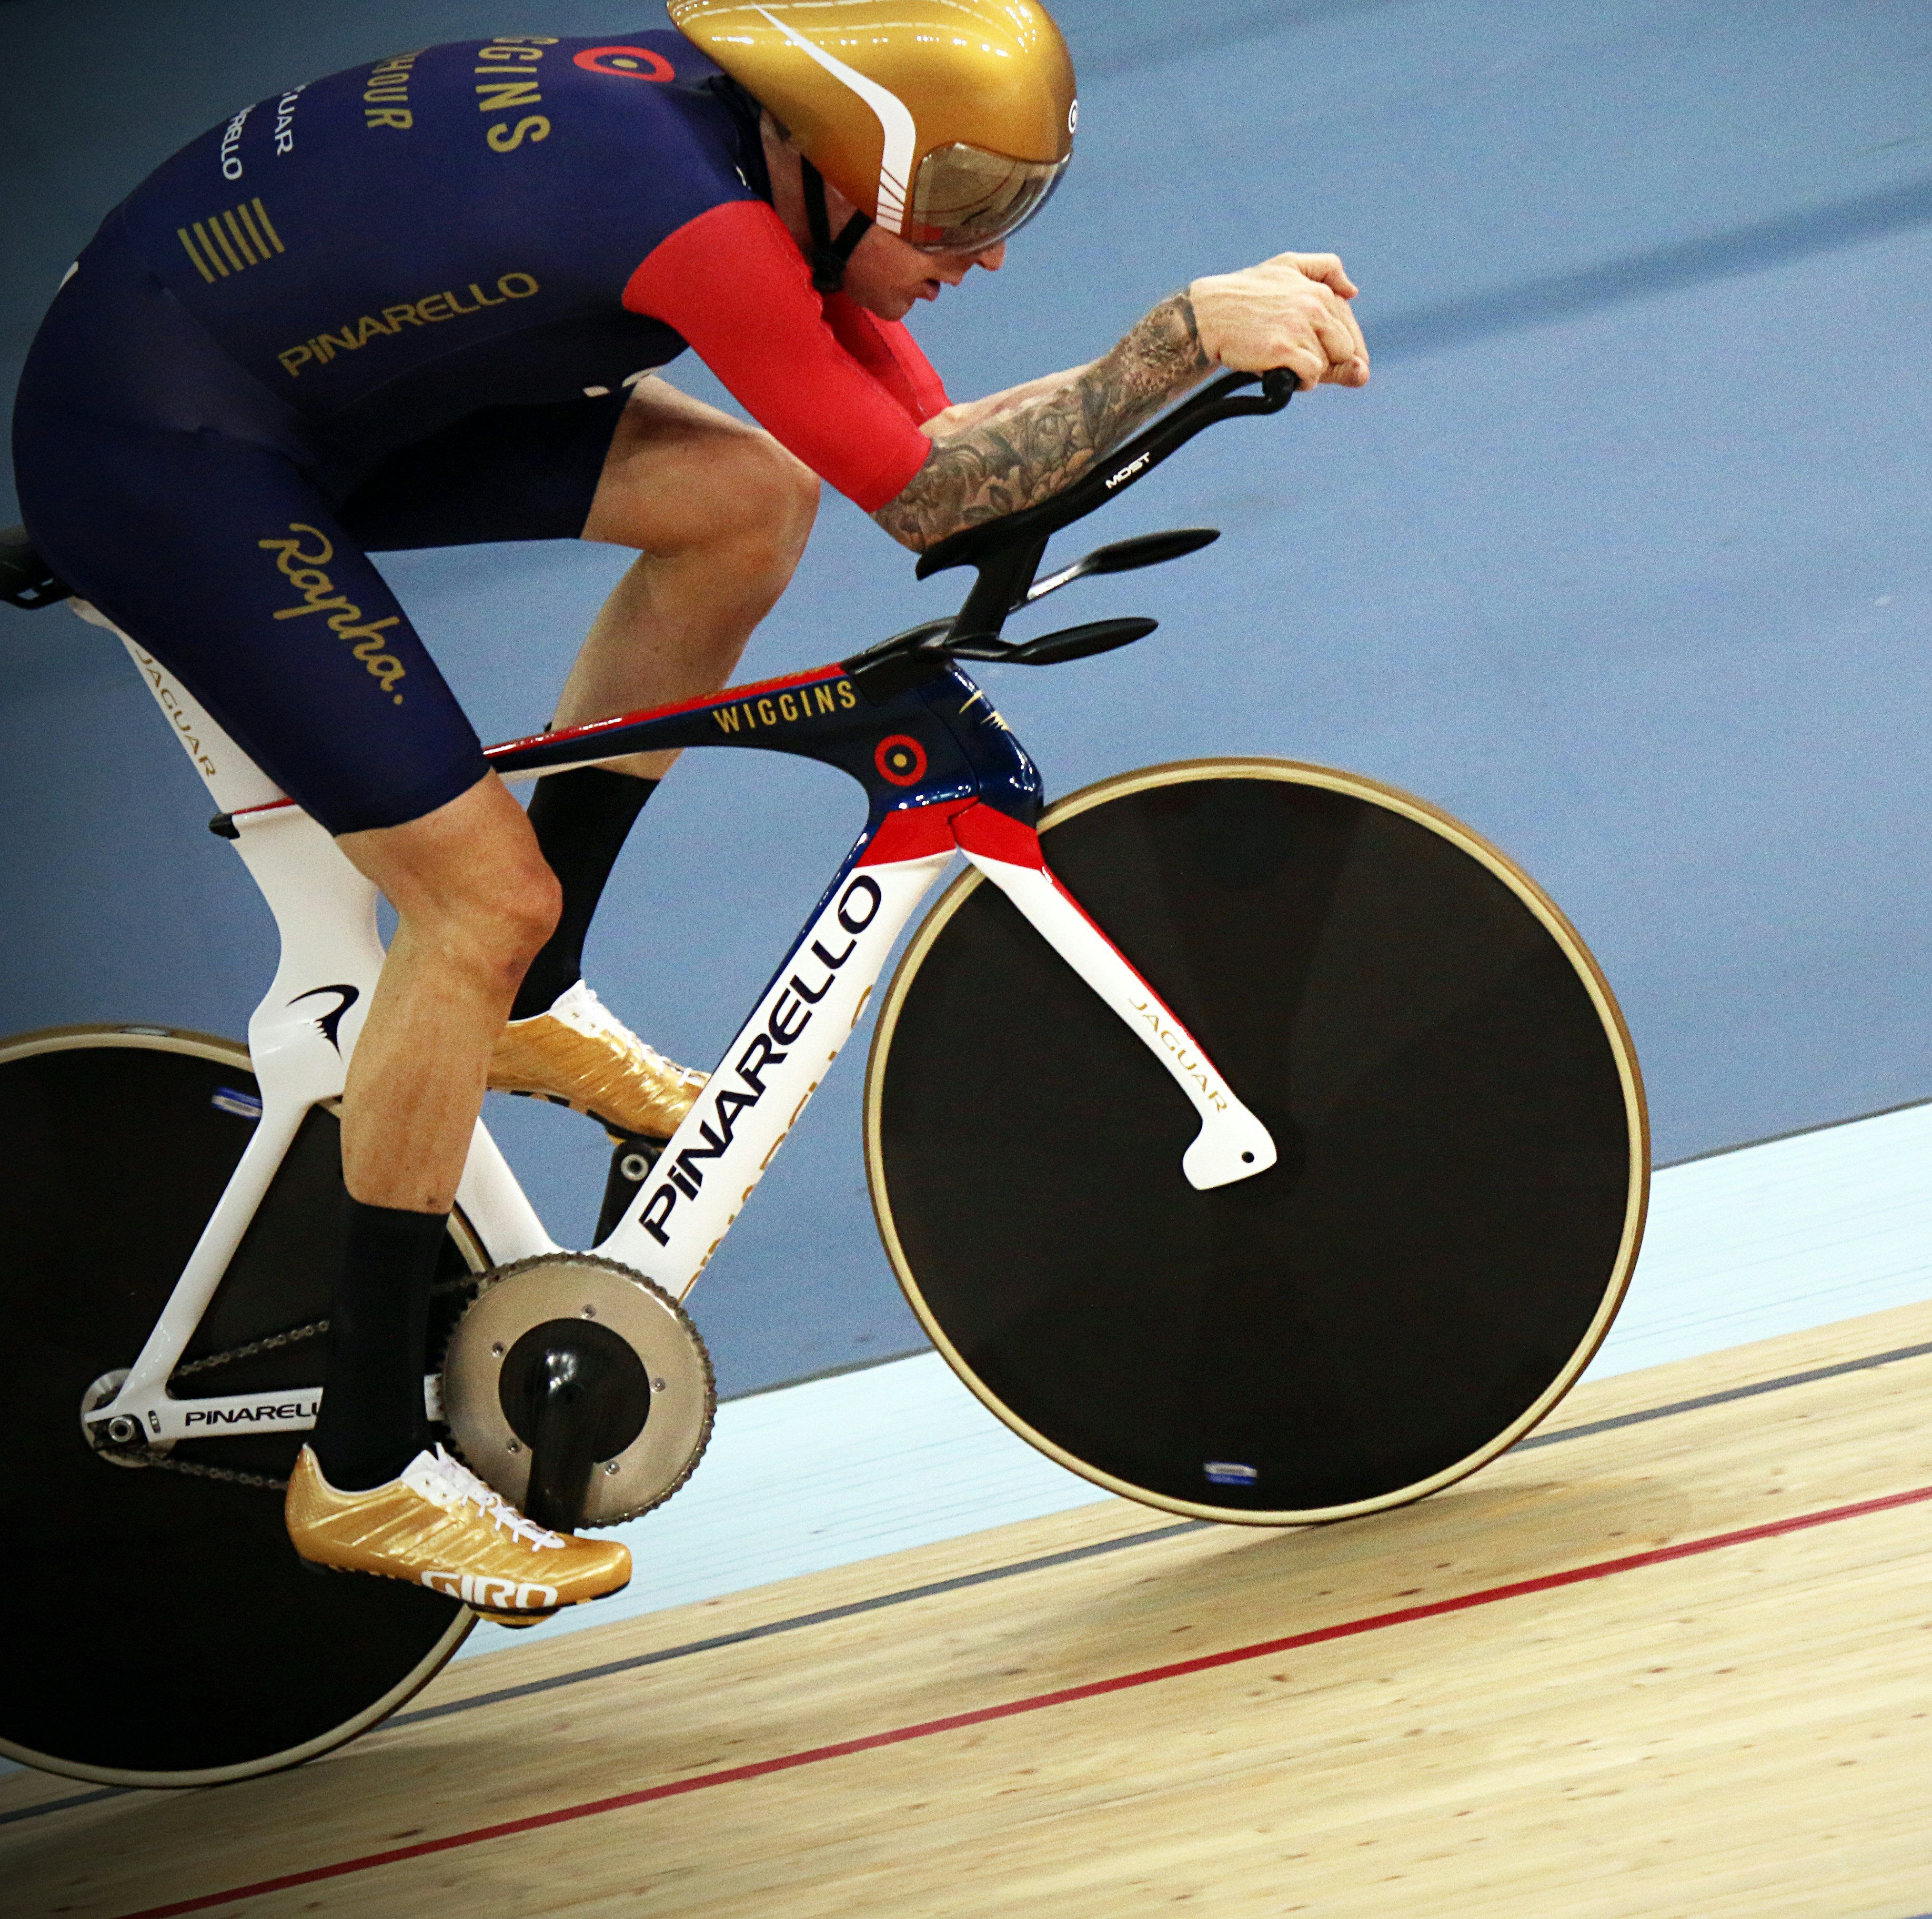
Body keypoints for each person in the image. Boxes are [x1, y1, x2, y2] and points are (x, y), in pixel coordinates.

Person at [9, 0, 1367, 1625]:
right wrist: (1179, 335)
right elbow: (937, 499)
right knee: (471, 896)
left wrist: (1191, 348)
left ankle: (527, 997)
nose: (987, 257)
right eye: (964, 212)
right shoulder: (710, 224)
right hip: (164, 447)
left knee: (741, 496)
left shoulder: (766, 158)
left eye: (1015, 211)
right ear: (847, 157)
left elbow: (923, 448)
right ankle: (363, 1469)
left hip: (261, 380)